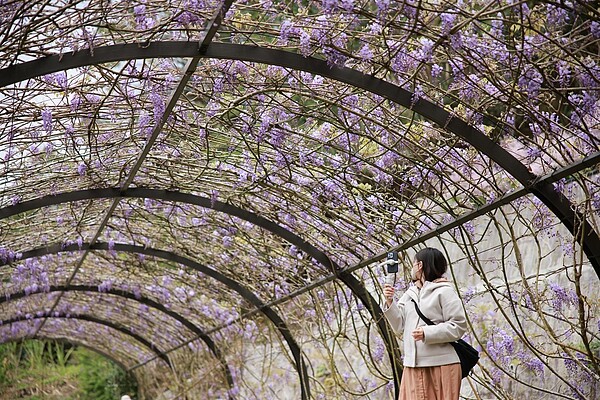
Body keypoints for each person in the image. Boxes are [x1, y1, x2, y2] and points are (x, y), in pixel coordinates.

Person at [383, 247, 467, 400]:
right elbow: (399, 327)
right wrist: (389, 302)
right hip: (413, 366)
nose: (412, 268)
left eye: (414, 264)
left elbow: (458, 325)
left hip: (442, 364)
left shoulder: (444, 291)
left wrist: (427, 333)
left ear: (420, 265)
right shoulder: (410, 294)